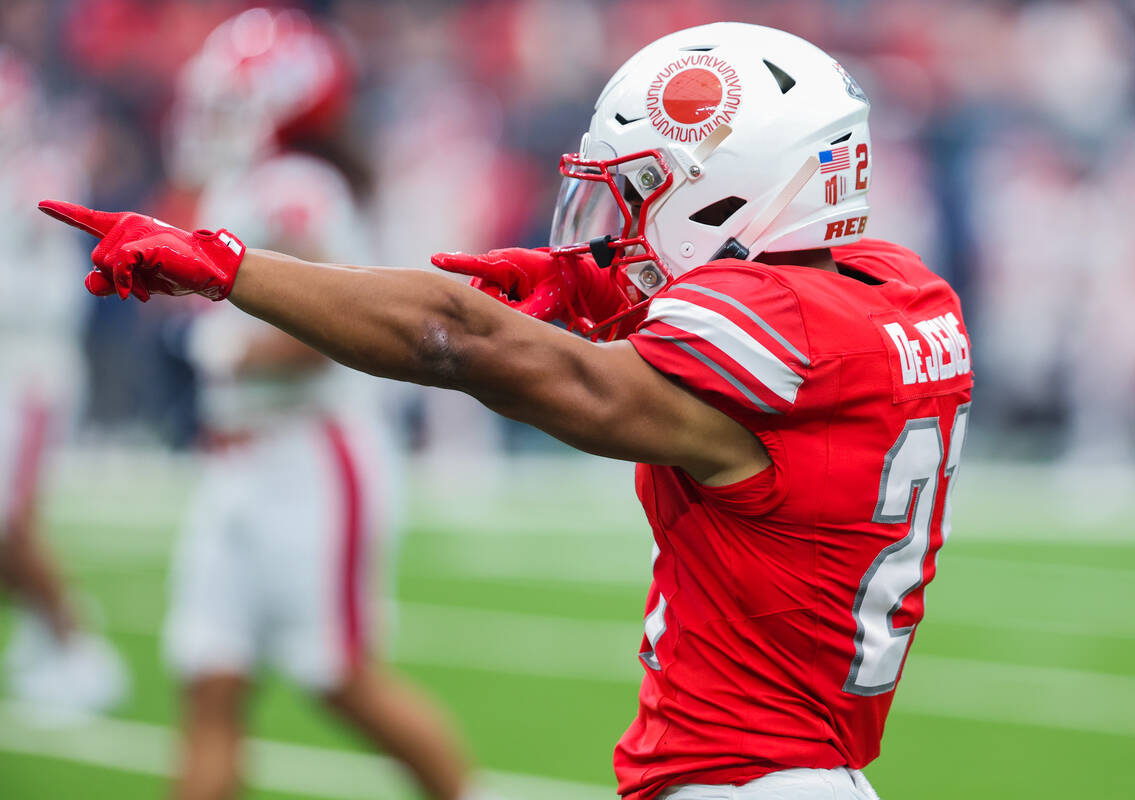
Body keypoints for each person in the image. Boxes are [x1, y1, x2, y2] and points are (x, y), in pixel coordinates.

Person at [40, 21, 972, 800]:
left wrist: (231, 268)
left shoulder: (774, 335)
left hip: (746, 776)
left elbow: (460, 340)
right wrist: (583, 280)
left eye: (646, 191)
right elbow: (749, 298)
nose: (624, 222)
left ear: (732, 189)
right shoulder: (900, 295)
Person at [151, 9, 476, 800]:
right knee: (208, 679)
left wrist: (213, 346)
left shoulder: (295, 187)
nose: (214, 117)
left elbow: (334, 326)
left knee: (340, 678)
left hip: (310, 455)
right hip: (238, 460)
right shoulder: (247, 183)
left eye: (233, 99)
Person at [0, 45, 127, 718]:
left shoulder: (34, 177)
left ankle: (80, 650)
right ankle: (42, 635)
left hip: (28, 367)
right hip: (12, 363)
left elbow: (42, 285)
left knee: (11, 522)